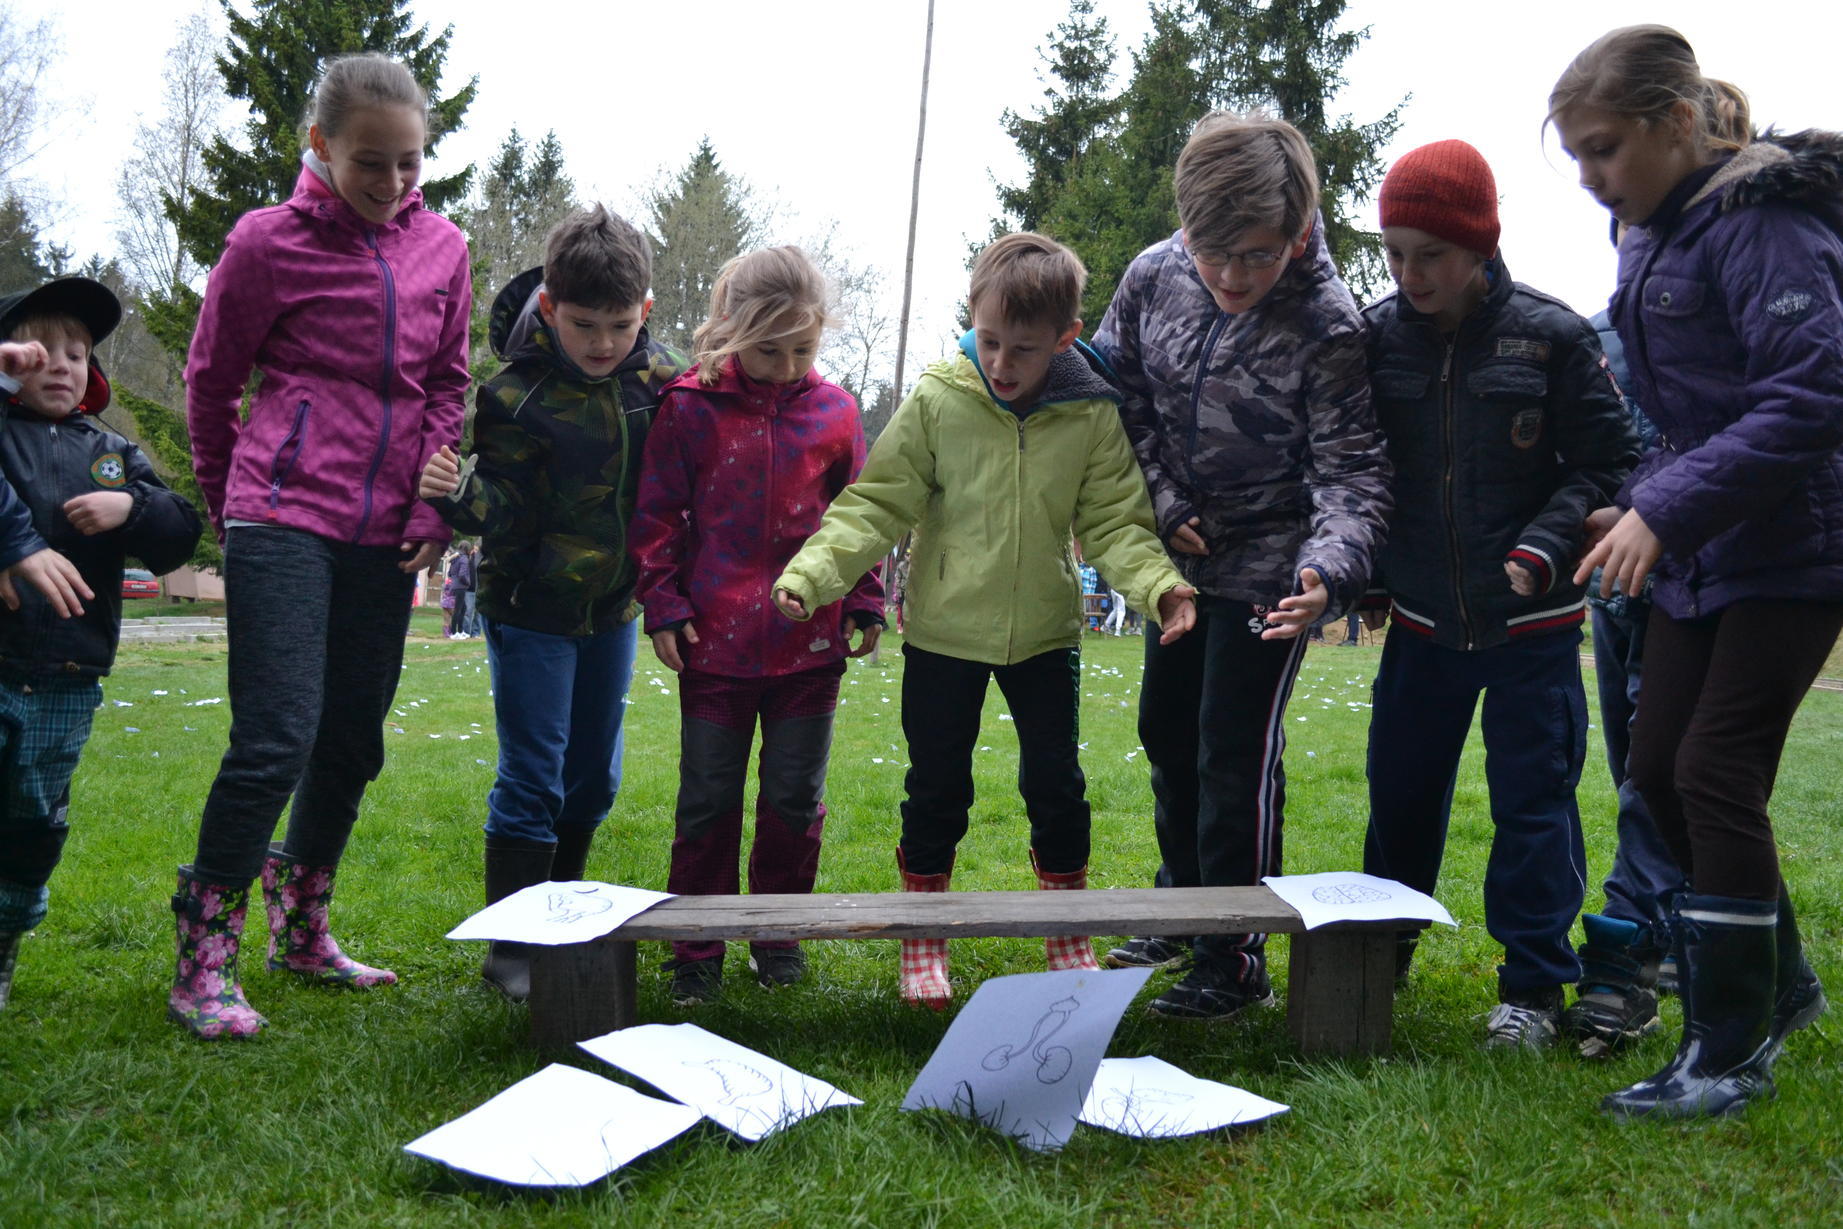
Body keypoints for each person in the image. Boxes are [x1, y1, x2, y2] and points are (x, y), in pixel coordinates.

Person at [774, 232, 1196, 1009]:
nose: (1001, 362)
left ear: (1065, 338)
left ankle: (1065, 932)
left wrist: (1160, 589)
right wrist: (813, 574)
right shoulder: (939, 400)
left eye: (1023, 348)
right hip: (943, 635)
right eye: (989, 338)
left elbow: (1114, 522)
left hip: (1044, 637)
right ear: (971, 316)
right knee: (936, 787)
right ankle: (923, 935)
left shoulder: (1089, 413)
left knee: (1056, 786)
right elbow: (876, 503)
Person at [1553, 23, 1843, 1119]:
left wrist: (1662, 511)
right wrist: (1637, 501)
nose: (1590, 176)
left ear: (1676, 123)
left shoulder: (1765, 222)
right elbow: (1693, 414)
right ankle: (1777, 985)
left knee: (1716, 770)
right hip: (1702, 549)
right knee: (1660, 769)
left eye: (1603, 148)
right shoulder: (1652, 234)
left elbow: (1810, 397)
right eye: (1575, 156)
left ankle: (1725, 1048)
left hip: (1794, 548)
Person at [176, 53, 471, 1039]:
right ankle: (203, 959)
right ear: (320, 145)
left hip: (386, 531)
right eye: (368, 161)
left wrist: (431, 507)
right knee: (276, 737)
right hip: (281, 516)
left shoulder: (443, 248)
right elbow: (212, 380)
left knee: (352, 739)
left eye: (408, 161)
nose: (391, 181)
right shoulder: (265, 243)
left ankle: (301, 930)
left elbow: (446, 384)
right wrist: (230, 503)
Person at [1091, 113, 1392, 1019]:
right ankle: (1180, 908)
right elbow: (1115, 395)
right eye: (1211, 251)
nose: (1229, 275)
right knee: (1165, 730)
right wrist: (1161, 502)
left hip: (1273, 567)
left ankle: (1232, 953)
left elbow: (1352, 470)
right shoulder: (1153, 275)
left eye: (1255, 255)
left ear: (1297, 234)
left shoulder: (1327, 324)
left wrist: (1327, 571)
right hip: (1178, 563)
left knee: (1234, 748)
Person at [1356, 140, 1638, 1050]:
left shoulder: (1554, 336)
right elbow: (1358, 466)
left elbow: (1610, 464)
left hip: (1534, 627)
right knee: (1399, 798)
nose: (1408, 274)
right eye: (1393, 253)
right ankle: (1378, 959)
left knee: (1532, 804)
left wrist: (1545, 544)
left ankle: (1532, 989)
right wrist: (1365, 572)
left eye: (1429, 254)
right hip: (1419, 623)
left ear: (1481, 245)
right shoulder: (1372, 337)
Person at [422, 205, 682, 1001]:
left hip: (613, 611)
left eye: (619, 325)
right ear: (548, 306)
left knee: (593, 779)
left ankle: (559, 919)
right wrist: (458, 496)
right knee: (534, 775)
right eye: (583, 325)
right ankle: (512, 945)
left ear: (644, 309)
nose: (602, 343)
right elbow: (506, 506)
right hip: (529, 607)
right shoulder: (511, 395)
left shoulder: (667, 381)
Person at [631, 246, 883, 1005]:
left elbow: (857, 515)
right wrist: (663, 605)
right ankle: (695, 950)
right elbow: (657, 515)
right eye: (769, 350)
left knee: (793, 802)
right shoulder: (688, 407)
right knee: (707, 801)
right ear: (732, 330)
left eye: (802, 349)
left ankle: (778, 935)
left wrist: (865, 597)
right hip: (713, 644)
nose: (785, 366)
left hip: (809, 646)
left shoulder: (836, 412)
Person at [0, 280, 201, 1009]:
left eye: (78, 353)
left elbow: (181, 531)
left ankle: (6, 935)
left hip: (69, 670)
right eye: (42, 350)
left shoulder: (111, 451)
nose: (61, 364)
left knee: (33, 819)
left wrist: (132, 506)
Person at [1563, 252, 1688, 1059]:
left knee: (1655, 772)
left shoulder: (1723, 322)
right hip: (1612, 587)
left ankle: (1633, 936)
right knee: (1634, 770)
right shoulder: (1595, 333)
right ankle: (1679, 926)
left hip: (1689, 586)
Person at [448, 541, 477, 638]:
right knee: (458, 609)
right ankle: (453, 633)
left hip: (455, 586)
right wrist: (468, 582)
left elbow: (449, 573)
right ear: (467, 549)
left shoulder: (455, 558)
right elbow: (462, 575)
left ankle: (460, 631)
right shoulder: (464, 559)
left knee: (463, 608)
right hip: (461, 587)